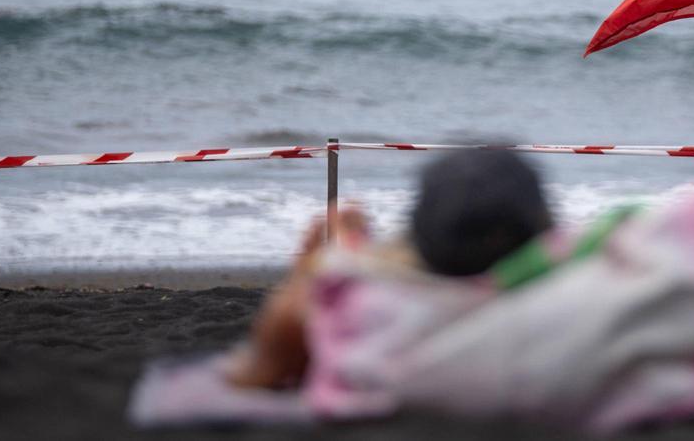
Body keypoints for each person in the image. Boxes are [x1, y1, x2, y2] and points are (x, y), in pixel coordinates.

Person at [226, 148, 553, 389]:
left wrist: (304, 275)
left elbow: (257, 374)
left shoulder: (374, 337)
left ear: (418, 235)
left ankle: (352, 246)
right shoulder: (577, 321)